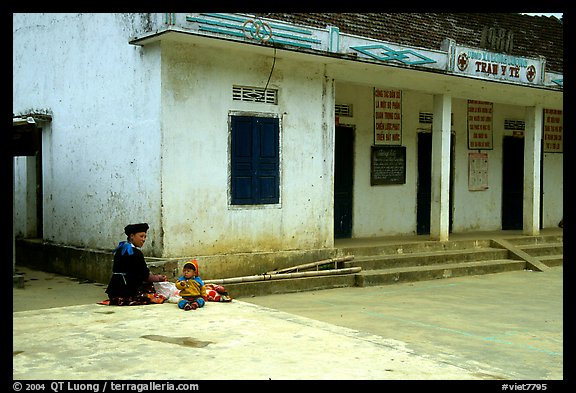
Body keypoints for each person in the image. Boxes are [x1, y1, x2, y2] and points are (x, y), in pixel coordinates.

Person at [105, 223, 167, 306]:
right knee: (152, 288)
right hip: (127, 291)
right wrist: (159, 278)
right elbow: (145, 276)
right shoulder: (136, 253)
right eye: (141, 236)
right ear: (132, 236)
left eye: (145, 237)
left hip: (113, 291)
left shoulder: (120, 249)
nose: (144, 239)